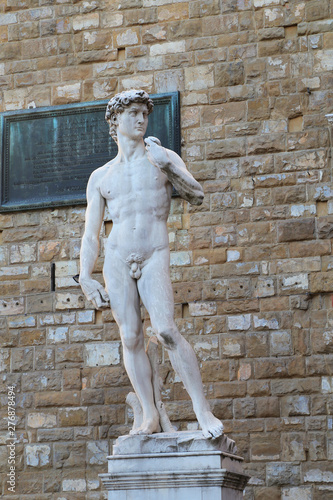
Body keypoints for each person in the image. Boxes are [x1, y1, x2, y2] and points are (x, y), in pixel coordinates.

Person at [79, 89, 223, 438]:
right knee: (130, 337)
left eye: (145, 113)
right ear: (115, 121)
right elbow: (91, 234)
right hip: (116, 257)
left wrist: (169, 163)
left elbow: (197, 195)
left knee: (167, 330)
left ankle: (202, 412)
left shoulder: (161, 157)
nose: (142, 119)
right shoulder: (101, 176)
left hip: (154, 252)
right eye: (133, 114)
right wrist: (85, 275)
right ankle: (148, 415)